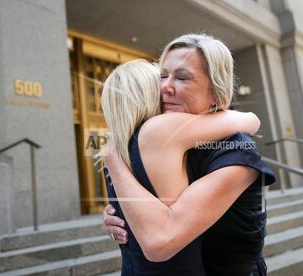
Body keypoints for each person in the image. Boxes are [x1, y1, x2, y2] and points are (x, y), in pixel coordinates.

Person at [103, 33, 276, 275]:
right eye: (163, 75)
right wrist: (123, 215)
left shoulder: (236, 152)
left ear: (216, 92)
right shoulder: (154, 142)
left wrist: (113, 160)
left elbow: (161, 240)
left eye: (182, 78)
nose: (165, 86)